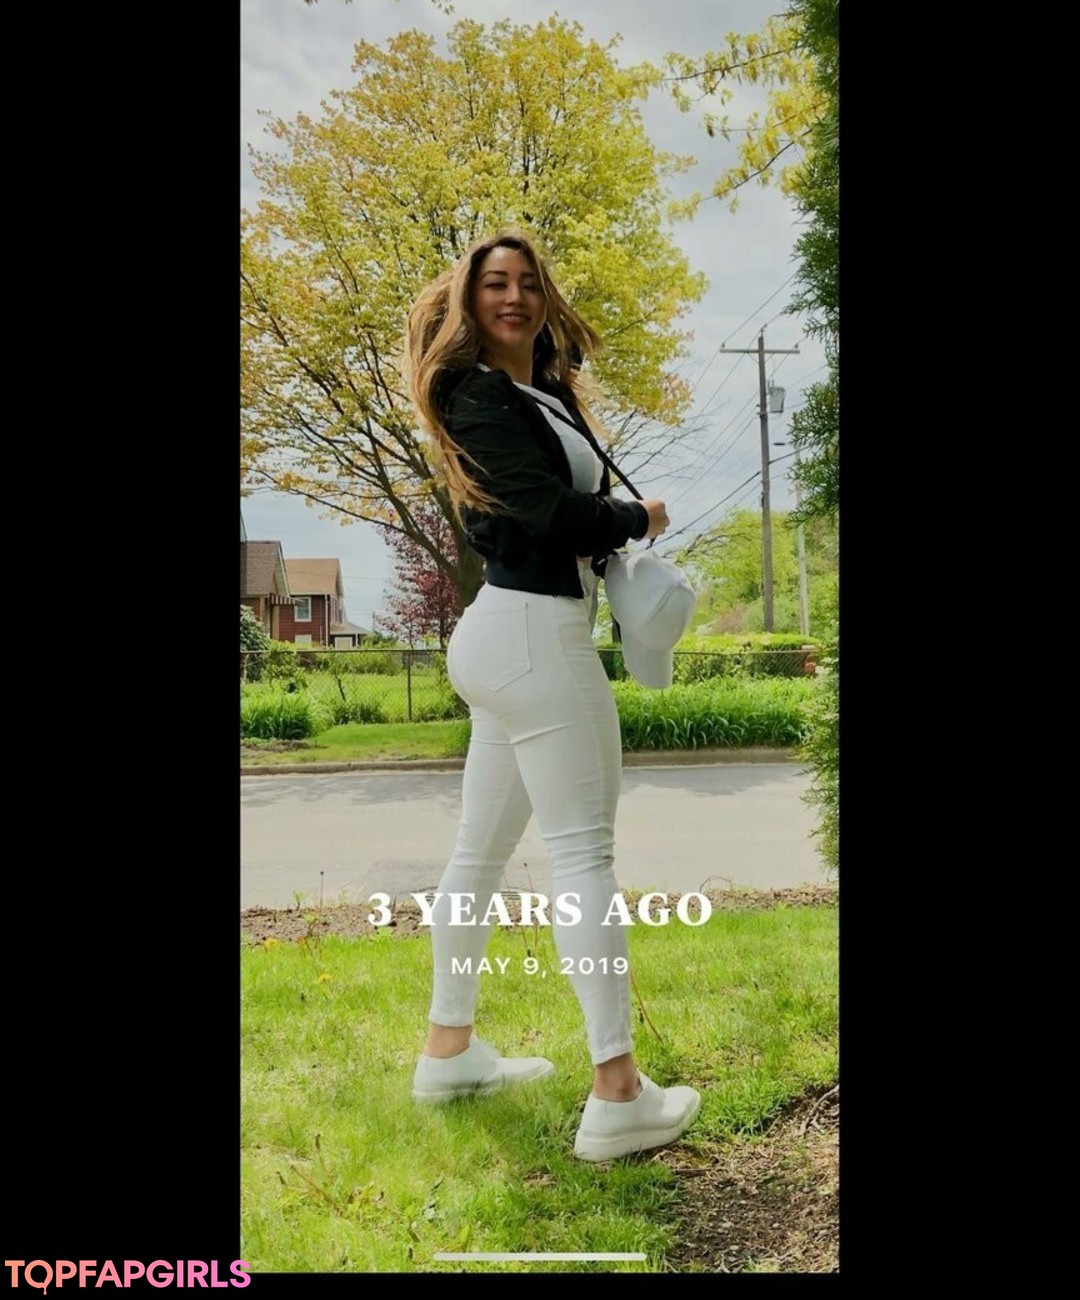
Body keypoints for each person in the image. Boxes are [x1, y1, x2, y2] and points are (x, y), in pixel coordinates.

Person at [402, 227, 700, 1162]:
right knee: (583, 860)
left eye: (529, 282)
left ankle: (449, 1052)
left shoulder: (533, 390)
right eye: (495, 283)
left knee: (478, 855)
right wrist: (637, 516)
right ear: (468, 299)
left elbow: (553, 496)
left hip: (508, 641)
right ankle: (618, 1093)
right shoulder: (476, 395)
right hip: (534, 637)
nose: (515, 297)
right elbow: (544, 513)